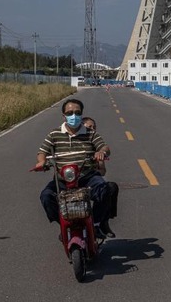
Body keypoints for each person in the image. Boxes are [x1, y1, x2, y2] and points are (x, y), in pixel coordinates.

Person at [36, 98, 114, 239]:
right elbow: (42, 152)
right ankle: (63, 224)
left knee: (104, 189)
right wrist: (41, 162)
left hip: (87, 177)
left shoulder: (91, 134)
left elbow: (104, 147)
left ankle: (96, 224)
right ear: (64, 116)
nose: (74, 116)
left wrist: (101, 152)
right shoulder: (54, 134)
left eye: (77, 113)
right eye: (70, 113)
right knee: (46, 196)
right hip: (62, 179)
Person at [81, 116, 119, 236]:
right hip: (72, 181)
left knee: (110, 188)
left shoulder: (96, 145)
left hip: (90, 182)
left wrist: (99, 161)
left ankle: (103, 222)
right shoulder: (75, 143)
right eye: (89, 127)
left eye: (94, 127)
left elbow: (103, 172)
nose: (92, 129)